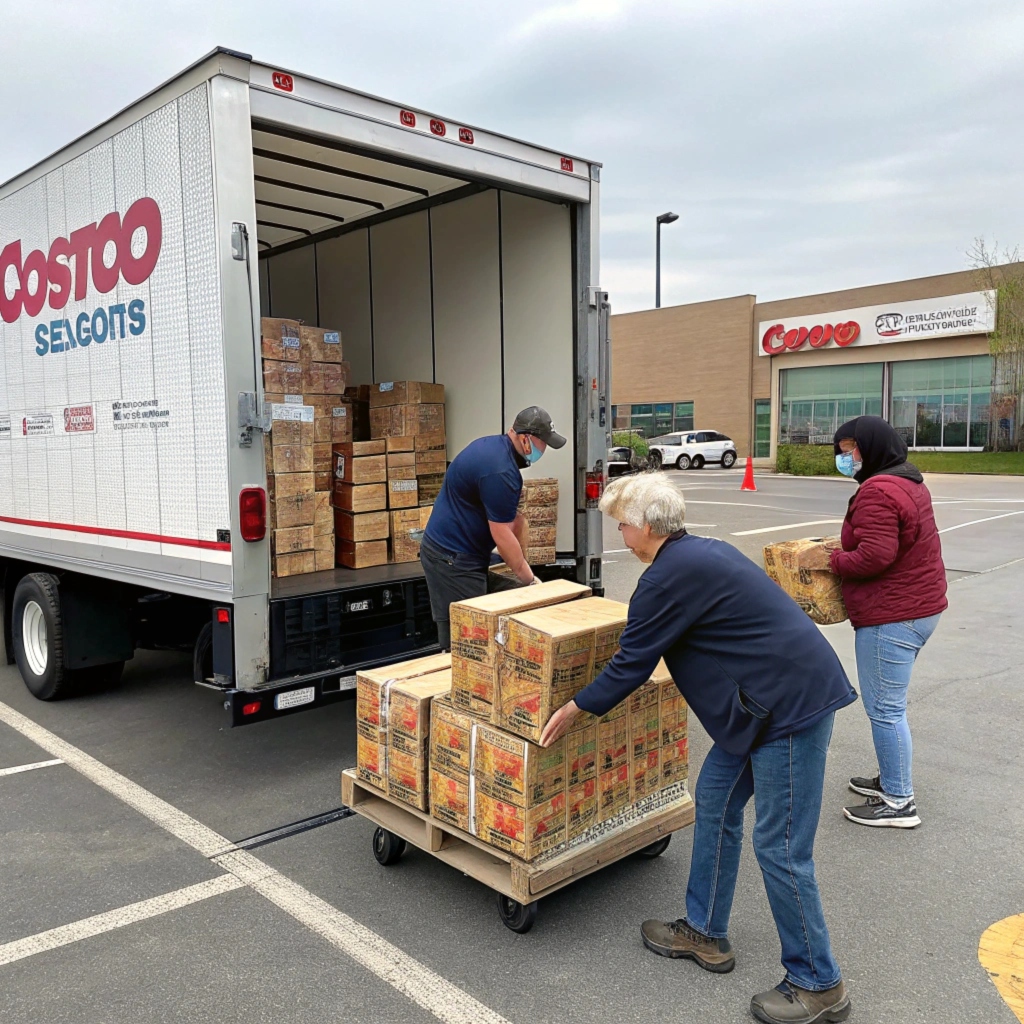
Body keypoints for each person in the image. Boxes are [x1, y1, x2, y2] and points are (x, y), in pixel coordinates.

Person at [540, 473, 856, 1024]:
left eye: (623, 523)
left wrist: (575, 709)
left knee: (781, 847)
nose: (619, 532)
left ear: (646, 526)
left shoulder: (666, 579)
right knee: (714, 801)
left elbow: (632, 663)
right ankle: (705, 930)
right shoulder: (698, 553)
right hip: (756, 708)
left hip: (786, 708)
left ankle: (818, 982)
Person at [829, 415, 947, 829]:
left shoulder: (879, 490)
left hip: (893, 616)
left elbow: (874, 556)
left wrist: (830, 560)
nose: (846, 457)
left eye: (851, 449)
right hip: (919, 607)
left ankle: (899, 801)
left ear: (871, 447)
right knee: (889, 707)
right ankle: (891, 779)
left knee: (885, 710)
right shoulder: (907, 480)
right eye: (843, 449)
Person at [419, 406, 566, 650]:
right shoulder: (501, 471)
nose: (545, 449)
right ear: (524, 439)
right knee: (470, 639)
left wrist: (523, 565)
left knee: (493, 613)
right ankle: (455, 674)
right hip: (450, 558)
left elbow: (516, 521)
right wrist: (529, 580)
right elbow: (501, 534)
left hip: (465, 554)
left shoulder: (494, 449)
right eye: (543, 443)